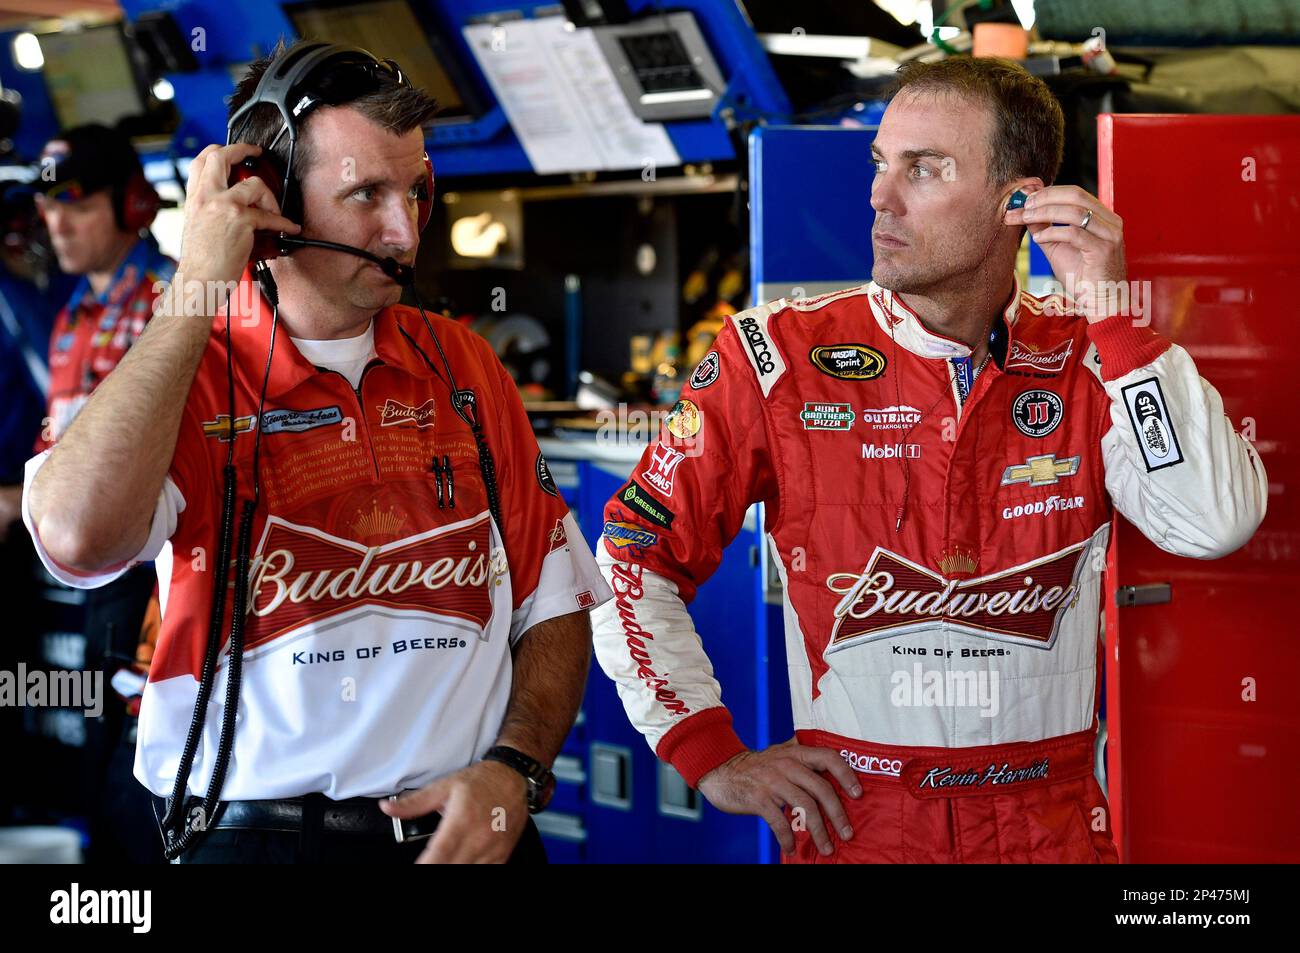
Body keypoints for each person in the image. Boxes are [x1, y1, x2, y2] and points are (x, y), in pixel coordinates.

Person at [589, 57, 1268, 864]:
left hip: (1046, 830)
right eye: (882, 163)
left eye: (924, 169)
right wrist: (706, 749)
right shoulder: (773, 357)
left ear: (1019, 200)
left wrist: (1115, 316)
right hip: (859, 826)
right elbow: (630, 558)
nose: (880, 195)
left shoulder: (1093, 357)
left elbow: (1215, 522)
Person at [23, 41, 610, 864]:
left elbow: (552, 605)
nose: (403, 230)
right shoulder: (189, 374)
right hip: (260, 843)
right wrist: (198, 278)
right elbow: (76, 538)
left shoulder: (464, 364)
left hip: (472, 835)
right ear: (269, 202)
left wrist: (515, 771)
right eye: (365, 194)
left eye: (415, 190)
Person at [4, 126, 174, 863]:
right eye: (46, 208)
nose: (55, 224)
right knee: (93, 763)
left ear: (132, 204)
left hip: (154, 587)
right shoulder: (74, 311)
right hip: (86, 580)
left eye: (74, 204)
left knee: (138, 782)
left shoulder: (178, 300)